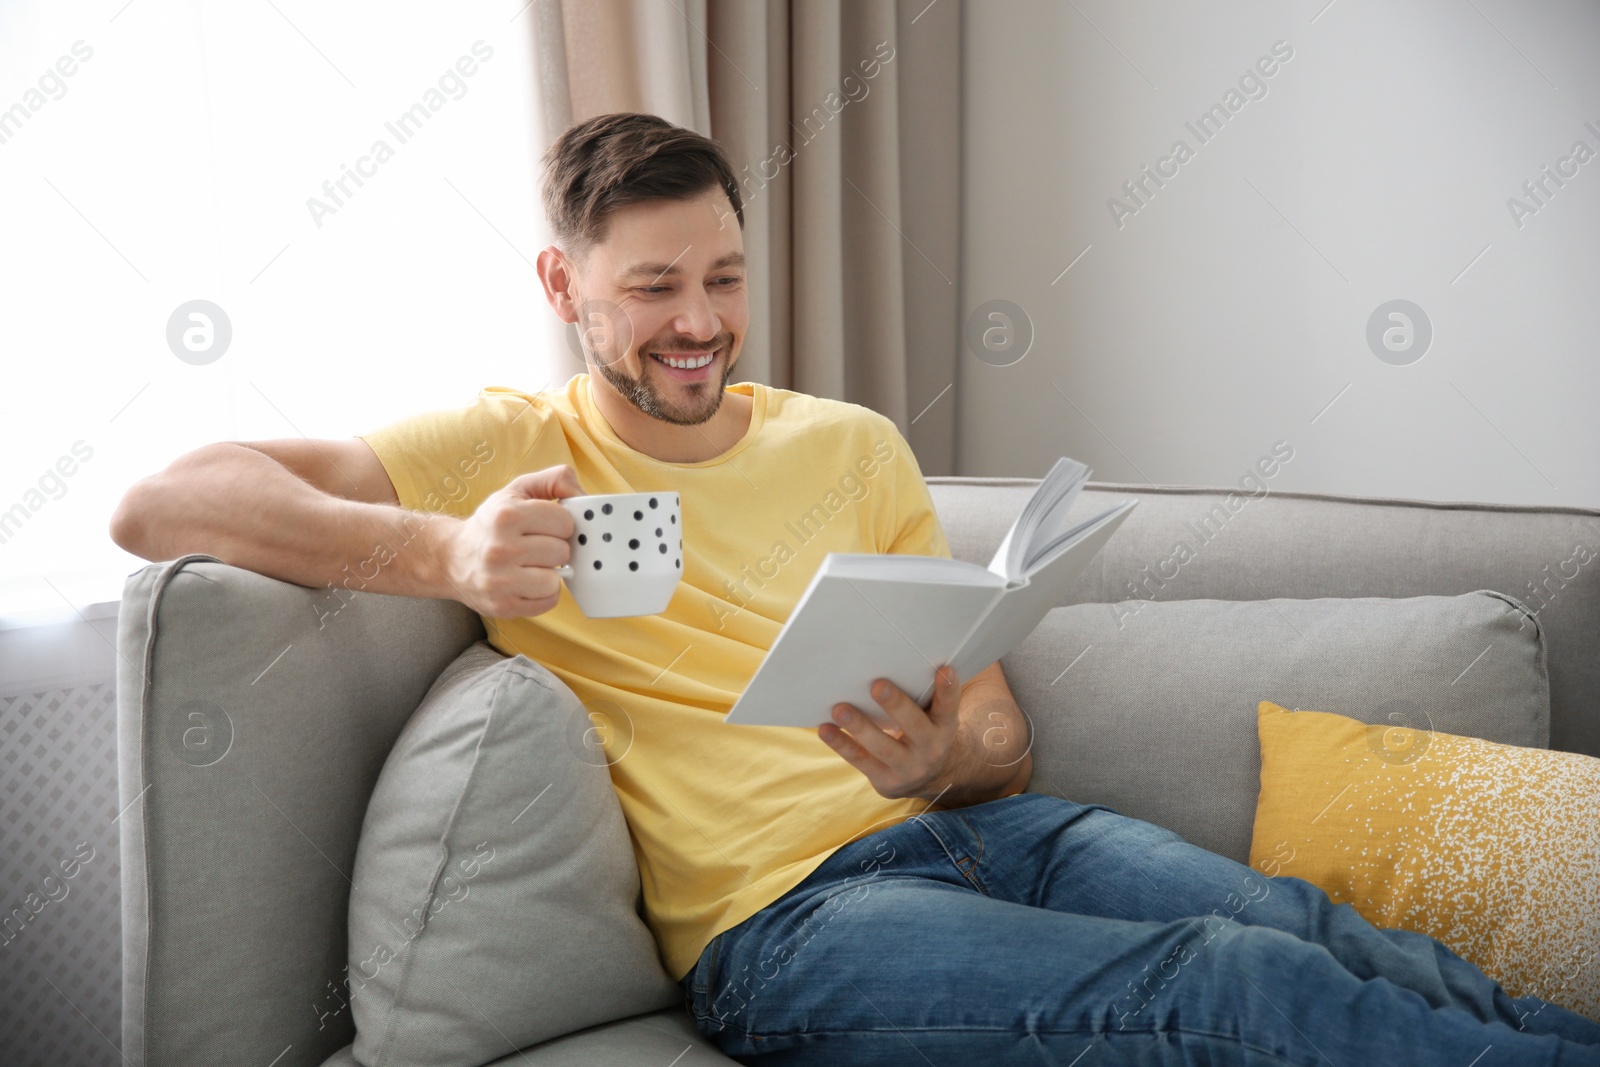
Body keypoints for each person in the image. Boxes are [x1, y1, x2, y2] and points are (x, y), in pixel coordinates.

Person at [111, 112, 1600, 1066]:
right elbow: (161, 501)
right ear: (564, 289)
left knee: (1303, 928)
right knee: (1215, 979)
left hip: (993, 836)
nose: (701, 325)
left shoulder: (854, 442)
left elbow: (999, 727)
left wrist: (961, 753)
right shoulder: (512, 443)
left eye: (727, 277)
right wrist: (438, 556)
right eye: (651, 289)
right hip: (787, 933)